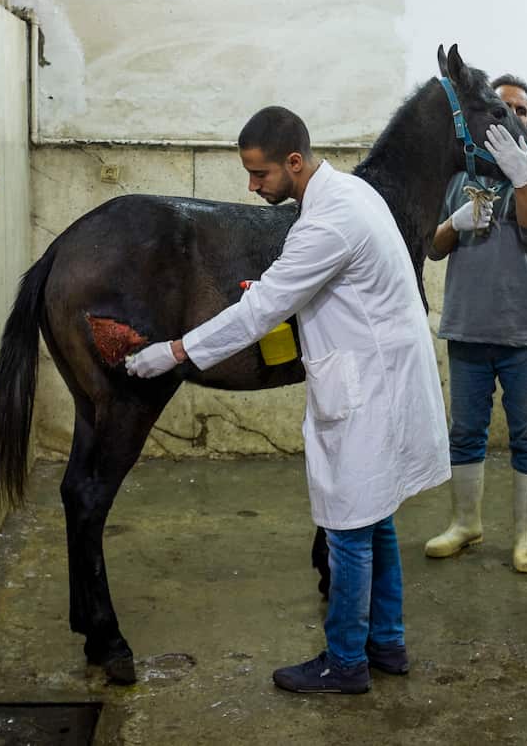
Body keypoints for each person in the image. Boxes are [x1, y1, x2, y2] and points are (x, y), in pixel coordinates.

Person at [125, 106, 450, 694]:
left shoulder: (327, 222)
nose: (252, 187)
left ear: (293, 163)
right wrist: (275, 292)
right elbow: (312, 286)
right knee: (376, 518)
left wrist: (174, 352)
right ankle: (388, 643)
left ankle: (346, 662)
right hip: (384, 372)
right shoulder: (349, 193)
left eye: (259, 174)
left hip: (367, 386)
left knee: (350, 526)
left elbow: (259, 312)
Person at [423, 73, 527, 574]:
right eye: (505, 108)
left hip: (524, 330)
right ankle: (466, 523)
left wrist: (521, 177)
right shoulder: (460, 175)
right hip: (467, 327)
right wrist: (453, 223)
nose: (514, 116)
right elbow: (433, 249)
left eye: (522, 110)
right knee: (465, 433)